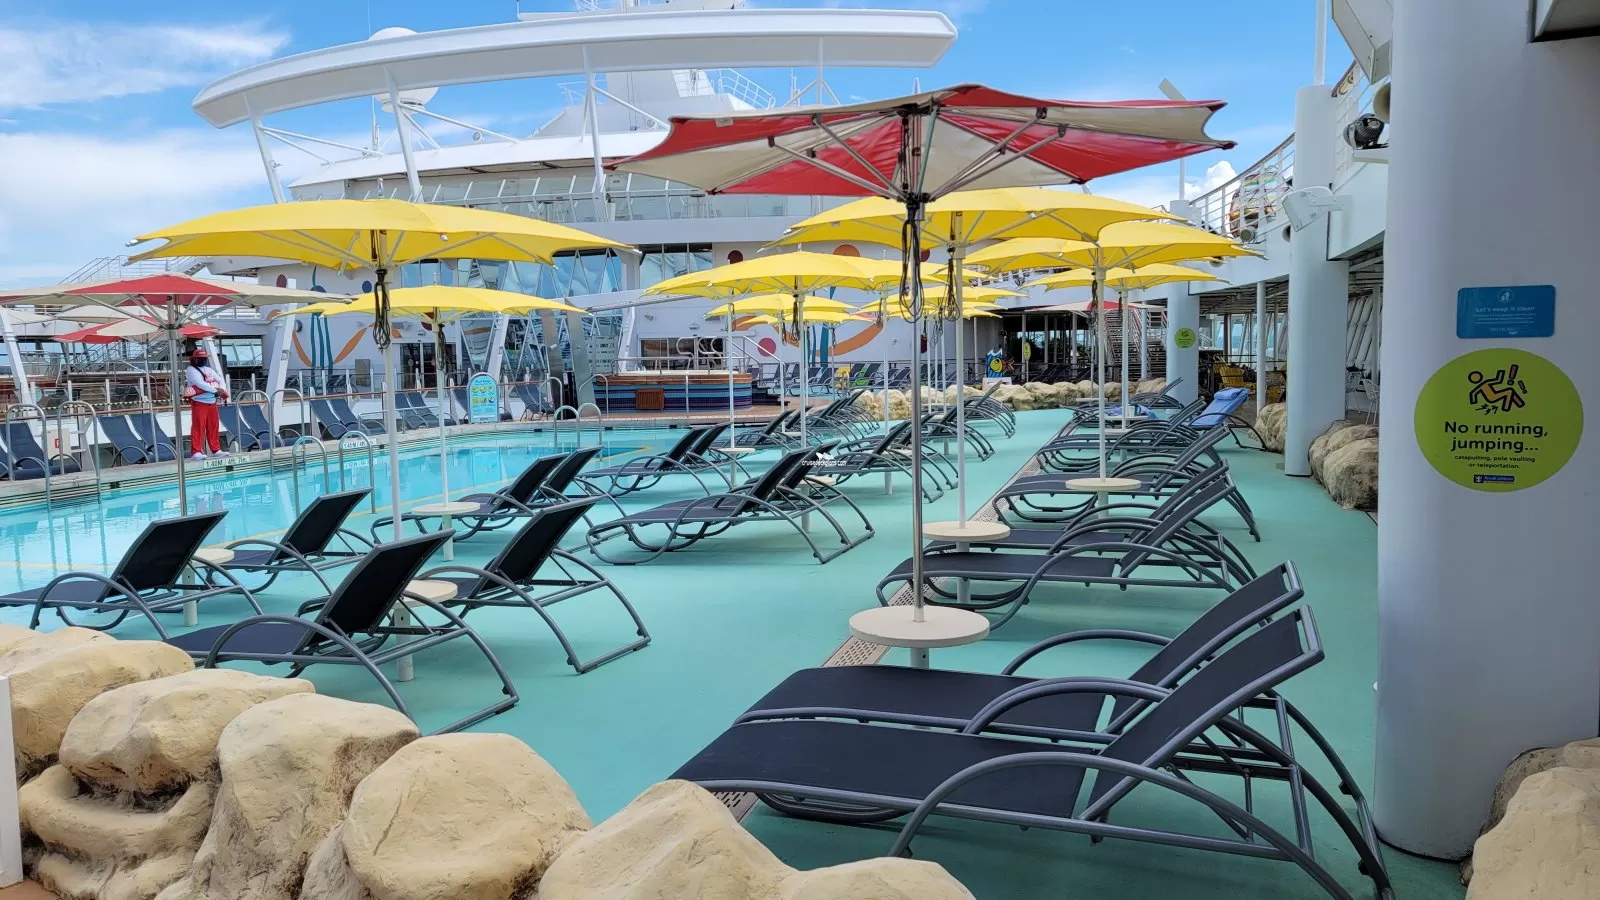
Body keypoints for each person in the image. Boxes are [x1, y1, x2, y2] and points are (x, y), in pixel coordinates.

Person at [185, 348, 228, 459]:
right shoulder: (191, 370)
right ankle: (196, 451)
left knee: (213, 426)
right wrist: (216, 390)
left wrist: (222, 389)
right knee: (198, 427)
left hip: (212, 402)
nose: (203, 360)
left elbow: (220, 380)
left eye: (204, 358)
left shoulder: (209, 369)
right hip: (199, 402)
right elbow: (200, 384)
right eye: (201, 358)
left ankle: (215, 449)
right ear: (195, 359)